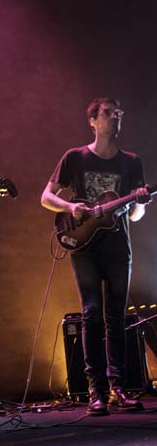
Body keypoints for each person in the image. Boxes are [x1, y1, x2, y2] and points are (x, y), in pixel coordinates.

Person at [41, 97, 151, 416]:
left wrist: (141, 202)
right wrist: (70, 207)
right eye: (107, 113)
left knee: (116, 316)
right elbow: (46, 197)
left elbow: (135, 217)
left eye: (119, 113)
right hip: (85, 245)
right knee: (91, 313)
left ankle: (118, 387)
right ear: (92, 120)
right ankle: (95, 390)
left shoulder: (131, 162)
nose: (115, 118)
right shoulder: (74, 157)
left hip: (118, 248)